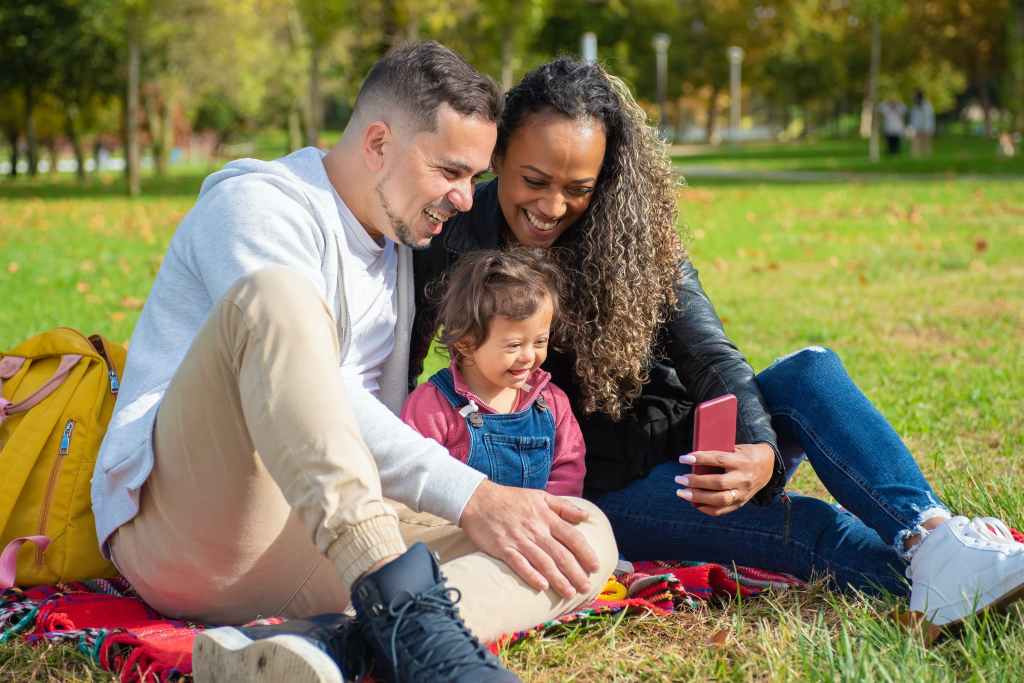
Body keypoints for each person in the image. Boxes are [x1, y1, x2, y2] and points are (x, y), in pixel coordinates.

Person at [412, 57, 1024, 631]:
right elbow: (404, 357)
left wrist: (757, 448)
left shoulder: (632, 229)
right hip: (607, 486)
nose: (552, 206)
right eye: (534, 180)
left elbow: (709, 352)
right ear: (497, 156)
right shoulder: (454, 235)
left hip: (696, 438)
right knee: (805, 528)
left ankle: (936, 536)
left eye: (578, 187)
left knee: (811, 371)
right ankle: (960, 590)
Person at [91, 43, 617, 683]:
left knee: (577, 534)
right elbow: (316, 387)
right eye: (449, 171)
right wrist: (471, 496)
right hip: (189, 527)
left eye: (473, 179)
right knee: (275, 297)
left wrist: (497, 504)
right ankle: (411, 622)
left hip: (317, 546)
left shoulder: (394, 238)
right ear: (377, 144)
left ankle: (331, 644)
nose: (463, 198)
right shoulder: (257, 205)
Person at [402, 248, 585, 496]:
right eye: (514, 345)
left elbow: (567, 470)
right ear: (466, 343)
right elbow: (414, 478)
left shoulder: (552, 403)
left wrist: (552, 515)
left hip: (538, 525)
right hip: (456, 531)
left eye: (540, 342)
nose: (529, 356)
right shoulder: (432, 407)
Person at [910, 90, 935, 158]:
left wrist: (928, 129)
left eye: (914, 96)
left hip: (926, 129)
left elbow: (929, 118)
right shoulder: (914, 107)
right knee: (915, 146)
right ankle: (915, 160)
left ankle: (927, 159)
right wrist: (912, 129)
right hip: (916, 129)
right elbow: (913, 119)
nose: (913, 98)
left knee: (926, 146)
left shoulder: (927, 105)